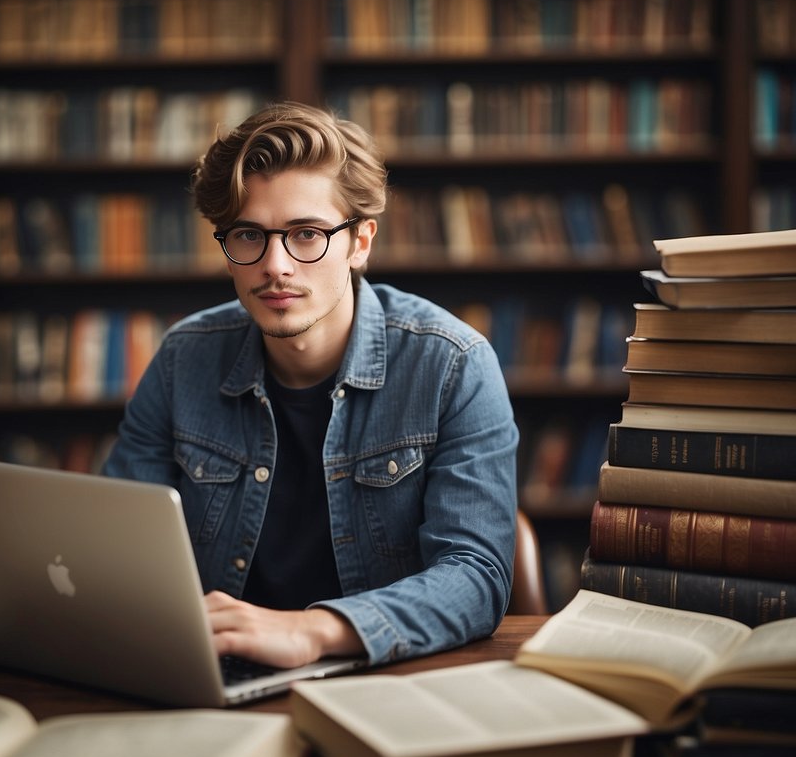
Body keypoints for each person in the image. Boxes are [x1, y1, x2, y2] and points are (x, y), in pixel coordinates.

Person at [101, 101, 518, 670]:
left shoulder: (452, 364)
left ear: (360, 243)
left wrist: (312, 630)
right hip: (213, 678)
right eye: (249, 235)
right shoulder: (183, 357)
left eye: (306, 234)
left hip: (383, 678)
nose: (275, 265)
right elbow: (117, 546)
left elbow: (475, 578)